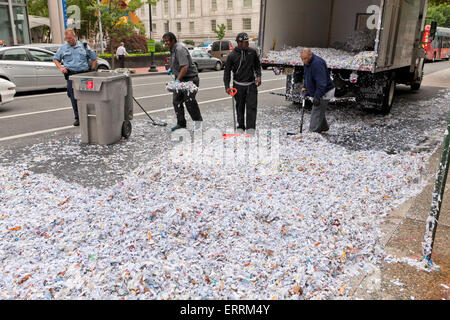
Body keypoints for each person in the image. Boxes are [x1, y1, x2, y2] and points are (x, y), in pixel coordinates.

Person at [53, 29, 98, 127]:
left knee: (88, 95)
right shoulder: (63, 48)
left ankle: (90, 115)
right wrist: (61, 67)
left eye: (70, 38)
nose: (68, 40)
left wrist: (92, 70)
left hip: (84, 75)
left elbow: (94, 58)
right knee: (73, 96)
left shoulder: (84, 46)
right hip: (71, 76)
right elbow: (55, 59)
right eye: (66, 38)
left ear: (75, 36)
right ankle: (78, 117)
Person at [163, 32, 203, 132]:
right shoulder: (172, 50)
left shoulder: (179, 49)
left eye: (167, 41)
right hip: (181, 79)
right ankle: (181, 123)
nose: (166, 43)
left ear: (173, 40)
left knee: (189, 101)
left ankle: (198, 123)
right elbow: (176, 63)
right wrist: (171, 69)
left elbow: (185, 67)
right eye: (164, 41)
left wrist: (177, 80)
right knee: (176, 101)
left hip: (190, 79)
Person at [223, 32, 262, 133]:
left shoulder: (252, 52)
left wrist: (258, 76)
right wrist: (227, 86)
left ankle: (251, 128)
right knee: (240, 107)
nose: (247, 44)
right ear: (239, 43)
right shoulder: (232, 56)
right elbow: (227, 72)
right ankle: (240, 126)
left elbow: (257, 66)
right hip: (238, 85)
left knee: (252, 107)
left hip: (251, 85)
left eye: (247, 41)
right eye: (245, 42)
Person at [301, 48, 335, 133]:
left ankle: (313, 132)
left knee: (316, 110)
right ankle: (323, 127)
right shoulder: (307, 63)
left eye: (305, 58)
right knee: (319, 109)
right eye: (302, 59)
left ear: (310, 55)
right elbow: (307, 76)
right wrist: (305, 88)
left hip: (325, 90)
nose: (304, 61)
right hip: (318, 90)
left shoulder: (317, 64)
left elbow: (322, 83)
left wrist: (317, 96)